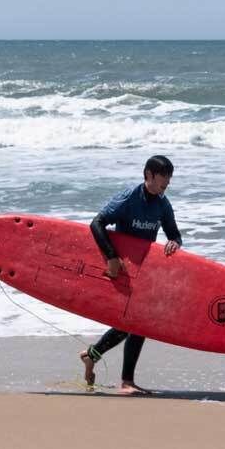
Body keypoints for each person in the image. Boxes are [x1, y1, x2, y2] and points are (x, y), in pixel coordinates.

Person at [78, 155, 182, 394]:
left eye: (169, 180)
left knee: (136, 323)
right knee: (135, 323)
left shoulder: (162, 204)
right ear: (149, 175)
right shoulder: (128, 199)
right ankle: (124, 380)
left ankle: (93, 357)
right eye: (163, 179)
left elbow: (174, 234)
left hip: (143, 270)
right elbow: (97, 223)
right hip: (122, 268)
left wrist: (175, 243)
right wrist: (111, 258)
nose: (166, 183)